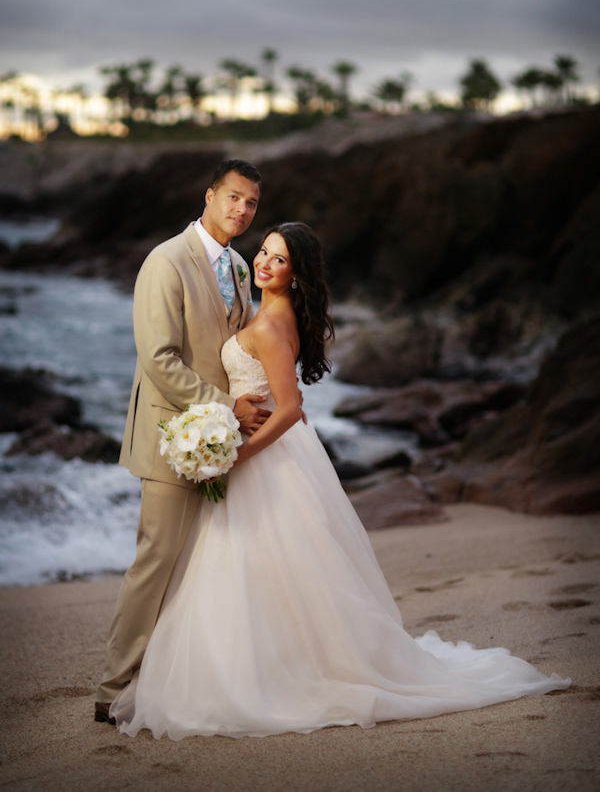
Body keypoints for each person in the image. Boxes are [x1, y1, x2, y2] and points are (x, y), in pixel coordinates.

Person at [109, 221, 570, 739]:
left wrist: (238, 455)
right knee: (270, 568)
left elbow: (289, 408)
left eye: (279, 259)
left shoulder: (269, 325)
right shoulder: (268, 312)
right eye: (264, 252)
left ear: (297, 275)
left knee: (265, 564)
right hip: (269, 452)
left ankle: (279, 672)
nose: (263, 263)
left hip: (266, 457)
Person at [95, 159, 271, 723]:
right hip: (174, 435)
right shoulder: (165, 261)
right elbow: (159, 358)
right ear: (209, 195)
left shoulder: (241, 268)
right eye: (234, 198)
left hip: (224, 442)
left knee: (204, 561)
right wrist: (225, 408)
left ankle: (179, 676)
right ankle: (113, 686)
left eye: (252, 204)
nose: (242, 210)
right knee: (158, 557)